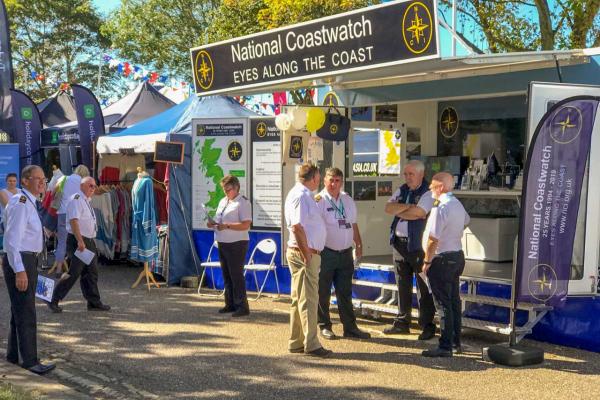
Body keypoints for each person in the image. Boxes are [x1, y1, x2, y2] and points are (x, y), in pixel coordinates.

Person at [2, 165, 55, 375]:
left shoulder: (30, 203)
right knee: (26, 312)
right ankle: (30, 360)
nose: (42, 183)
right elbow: (12, 240)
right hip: (21, 260)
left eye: (44, 179)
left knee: (19, 310)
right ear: (25, 181)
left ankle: (14, 355)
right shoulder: (21, 202)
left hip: (27, 260)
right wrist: (20, 270)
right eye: (37, 179)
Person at [383, 160, 437, 340]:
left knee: (423, 286)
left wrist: (402, 210)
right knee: (402, 284)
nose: (407, 178)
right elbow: (388, 208)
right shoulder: (402, 189)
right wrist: (408, 208)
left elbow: (419, 213)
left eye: (410, 174)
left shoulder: (428, 192)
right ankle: (402, 322)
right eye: (405, 174)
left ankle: (427, 325)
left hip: (417, 246)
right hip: (399, 244)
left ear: (421, 174)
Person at [315, 167, 370, 340]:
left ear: (341, 182)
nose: (333, 184)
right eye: (330, 180)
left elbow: (353, 224)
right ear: (324, 181)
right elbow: (315, 227)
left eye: (337, 180)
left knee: (345, 292)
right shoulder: (319, 200)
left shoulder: (347, 199)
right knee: (323, 291)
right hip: (326, 252)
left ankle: (350, 327)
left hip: (345, 253)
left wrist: (359, 243)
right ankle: (325, 326)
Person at [421, 172, 470, 357]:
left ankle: (445, 345)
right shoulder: (456, 203)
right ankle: (455, 342)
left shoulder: (440, 206)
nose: (430, 190)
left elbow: (433, 238)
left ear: (441, 187)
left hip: (442, 258)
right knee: (454, 301)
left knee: (443, 303)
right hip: (457, 255)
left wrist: (427, 261)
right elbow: (466, 220)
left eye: (433, 187)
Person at [284, 163, 330, 358]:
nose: (319, 181)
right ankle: (311, 343)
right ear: (313, 178)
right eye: (318, 178)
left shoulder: (301, 194)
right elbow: (297, 226)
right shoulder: (302, 196)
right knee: (308, 299)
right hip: (304, 253)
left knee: (299, 298)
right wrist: (306, 253)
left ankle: (296, 341)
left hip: (303, 252)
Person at [47, 177, 110, 313]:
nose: (93, 189)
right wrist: (80, 240)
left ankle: (94, 302)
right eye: (90, 186)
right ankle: (53, 299)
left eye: (94, 186)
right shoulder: (76, 199)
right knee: (74, 273)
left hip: (88, 240)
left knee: (91, 272)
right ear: (82, 186)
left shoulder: (85, 200)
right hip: (79, 240)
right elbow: (74, 221)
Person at [206, 175, 252, 317]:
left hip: (237, 243)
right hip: (223, 242)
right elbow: (219, 220)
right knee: (226, 274)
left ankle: (242, 307)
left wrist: (226, 226)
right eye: (224, 189)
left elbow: (246, 225)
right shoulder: (223, 201)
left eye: (228, 189)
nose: (226, 192)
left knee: (236, 275)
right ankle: (230, 304)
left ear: (236, 187)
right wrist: (212, 223)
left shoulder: (243, 203)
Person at [52, 165, 90, 274]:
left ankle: (59, 268)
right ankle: (78, 268)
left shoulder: (64, 178)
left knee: (62, 242)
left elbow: (53, 192)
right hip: (77, 215)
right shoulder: (83, 182)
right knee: (80, 240)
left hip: (62, 213)